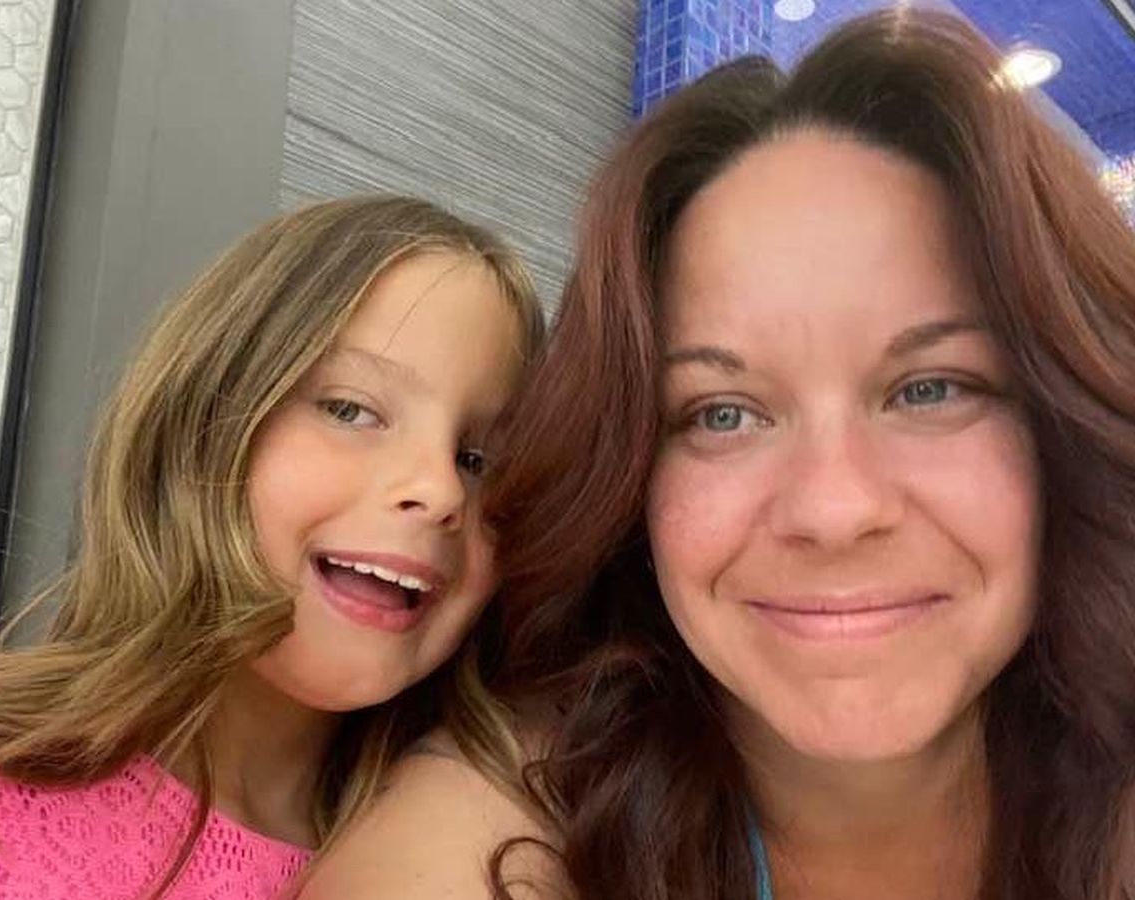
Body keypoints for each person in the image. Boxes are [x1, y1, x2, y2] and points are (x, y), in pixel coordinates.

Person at [299, 9, 1135, 900]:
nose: (833, 509)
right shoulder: (477, 846)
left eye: (929, 390)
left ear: (1061, 432)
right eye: (723, 414)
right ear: (631, 481)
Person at [0, 195, 544, 898]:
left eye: (478, 460)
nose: (441, 490)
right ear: (202, 422)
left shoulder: (466, 860)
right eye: (350, 410)